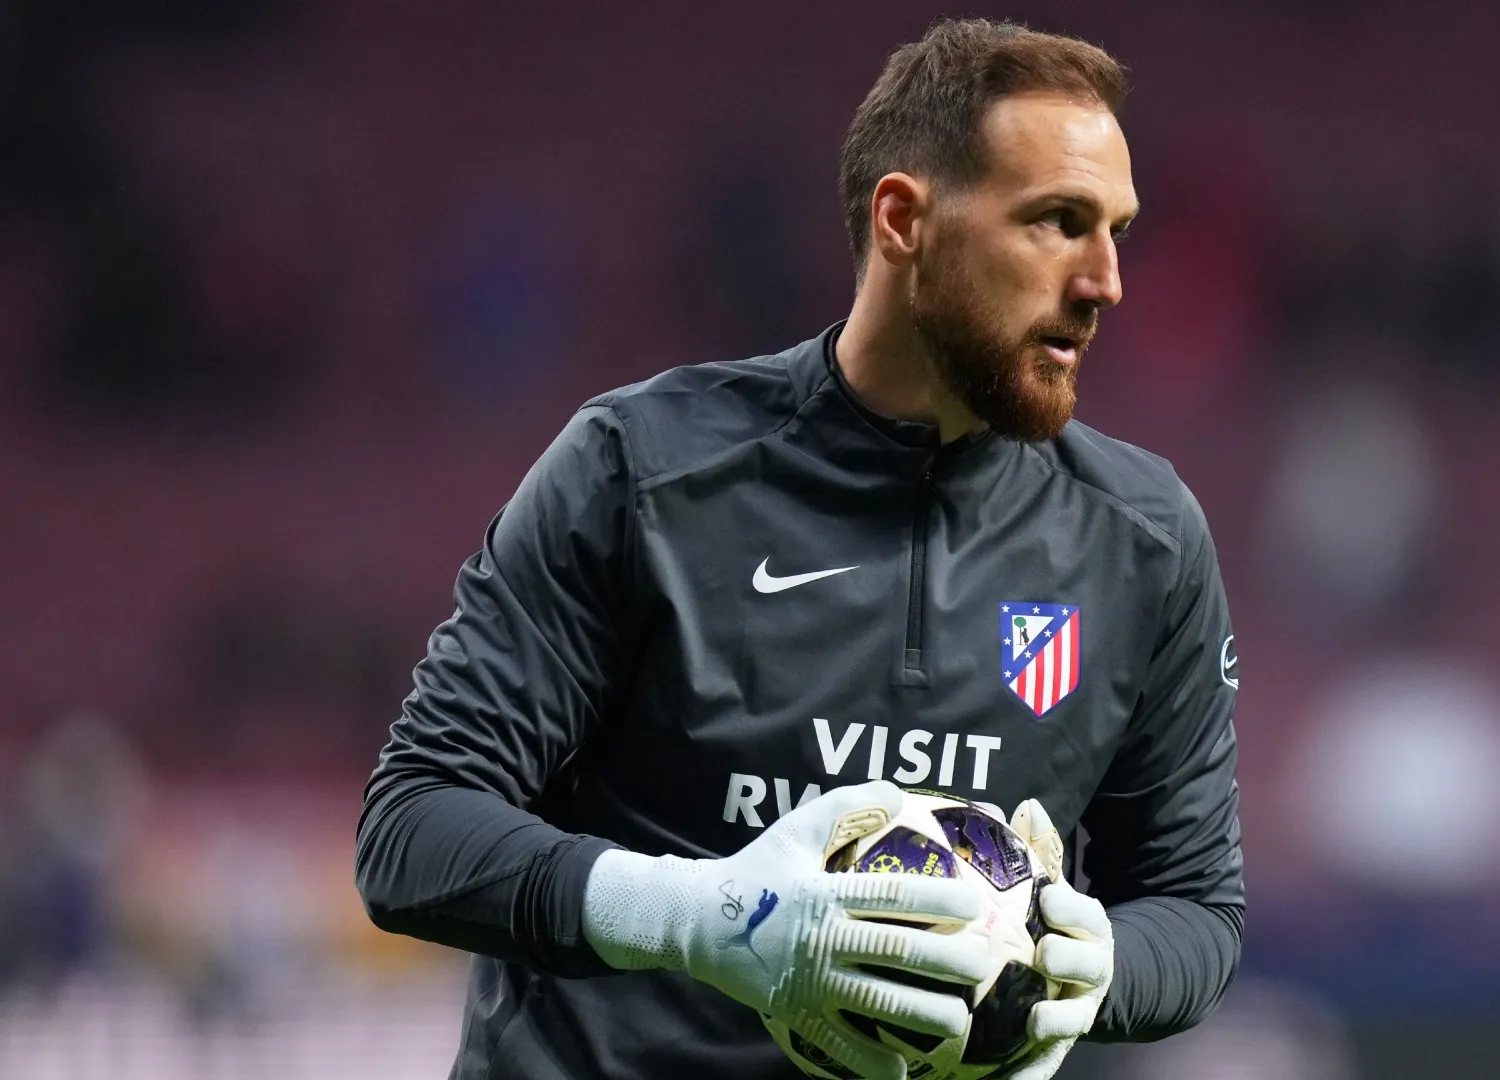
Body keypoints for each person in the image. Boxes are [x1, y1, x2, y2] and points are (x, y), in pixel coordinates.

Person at [354, 18, 1243, 1080]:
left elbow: (1195, 909)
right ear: (906, 220)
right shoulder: (642, 473)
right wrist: (701, 917)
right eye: (1057, 222)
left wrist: (1095, 971)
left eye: (1117, 231)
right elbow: (412, 832)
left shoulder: (1143, 541)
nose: (1105, 281)